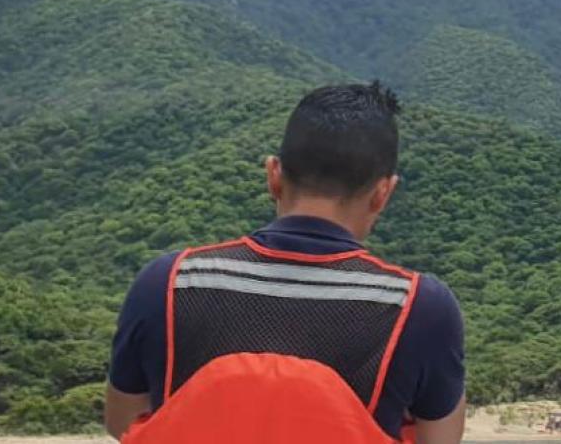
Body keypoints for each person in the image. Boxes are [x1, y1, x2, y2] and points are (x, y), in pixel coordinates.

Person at [103, 82, 466, 444]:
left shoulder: (167, 284)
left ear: (273, 175)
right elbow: (441, 440)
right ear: (383, 193)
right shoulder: (419, 306)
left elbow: (124, 423)